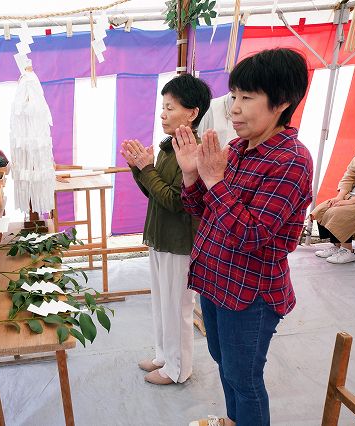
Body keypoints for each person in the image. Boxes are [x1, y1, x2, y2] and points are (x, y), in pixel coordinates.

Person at [173, 48, 313, 426]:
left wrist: (214, 181)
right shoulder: (235, 149)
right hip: (216, 280)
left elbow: (251, 234)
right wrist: (191, 176)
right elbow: (206, 211)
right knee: (225, 364)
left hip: (251, 293)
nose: (233, 107)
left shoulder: (291, 160)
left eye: (247, 98)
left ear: (282, 103)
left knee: (245, 379)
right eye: (234, 95)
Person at [119, 74, 212, 385]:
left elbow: (176, 201)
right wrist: (140, 168)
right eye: (162, 107)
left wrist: (146, 169)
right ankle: (163, 356)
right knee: (161, 303)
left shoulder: (194, 151)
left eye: (170, 107)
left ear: (193, 112)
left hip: (180, 241)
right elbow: (155, 194)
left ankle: (179, 369)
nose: (163, 113)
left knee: (178, 309)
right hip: (160, 236)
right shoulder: (168, 147)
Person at [311, 112, 355, 264]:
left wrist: (352, 201)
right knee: (323, 208)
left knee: (340, 213)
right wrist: (341, 196)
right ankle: (337, 246)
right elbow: (350, 174)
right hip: (353, 195)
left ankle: (348, 250)